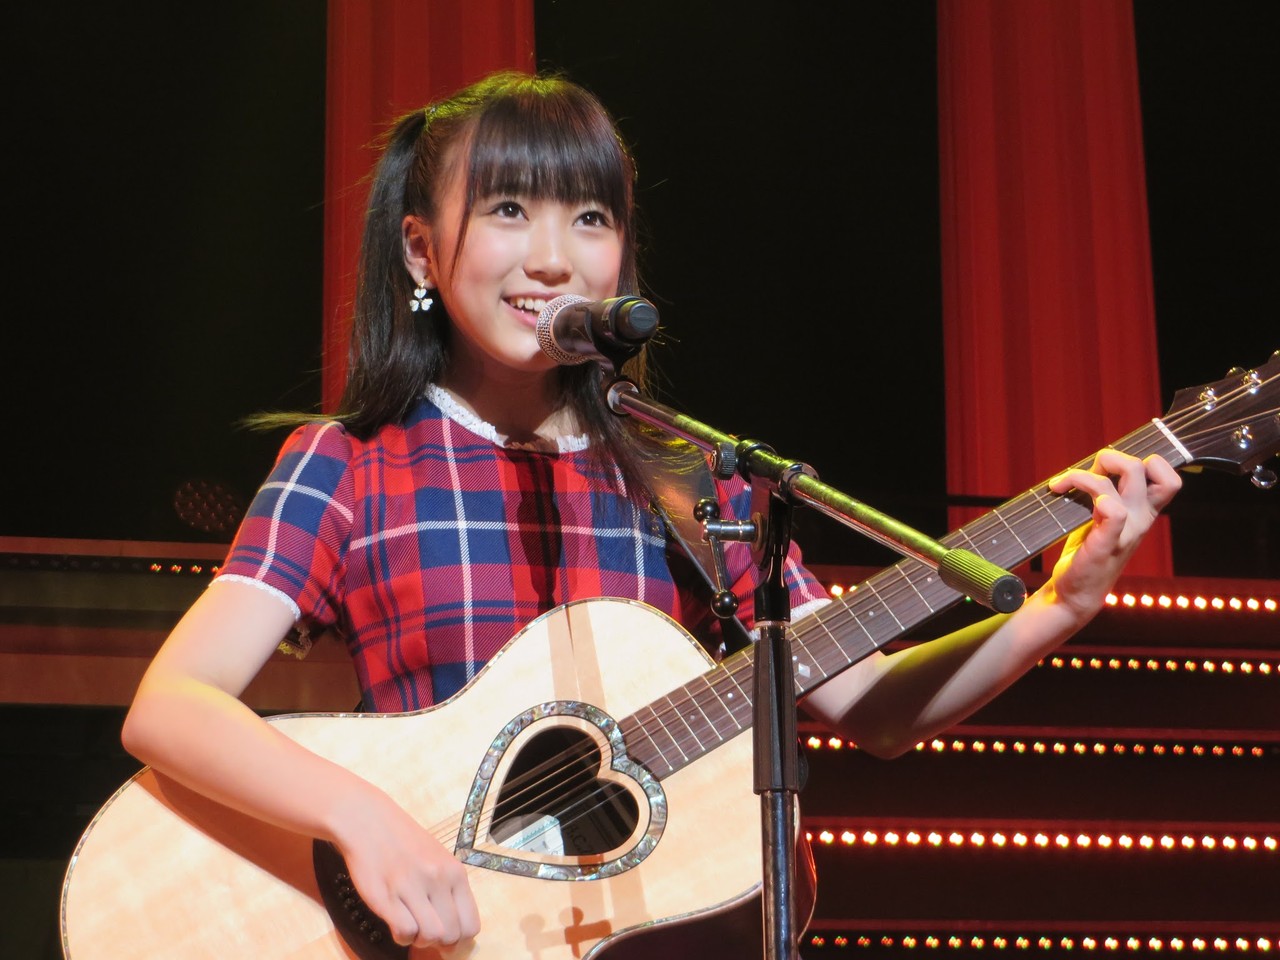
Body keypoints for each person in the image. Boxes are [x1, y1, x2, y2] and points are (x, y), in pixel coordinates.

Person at [120, 70, 1182, 954]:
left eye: (590, 218)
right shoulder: (351, 463)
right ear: (418, 251)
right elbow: (171, 705)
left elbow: (873, 708)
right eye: (507, 209)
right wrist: (365, 820)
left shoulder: (693, 478)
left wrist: (1060, 604)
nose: (553, 257)